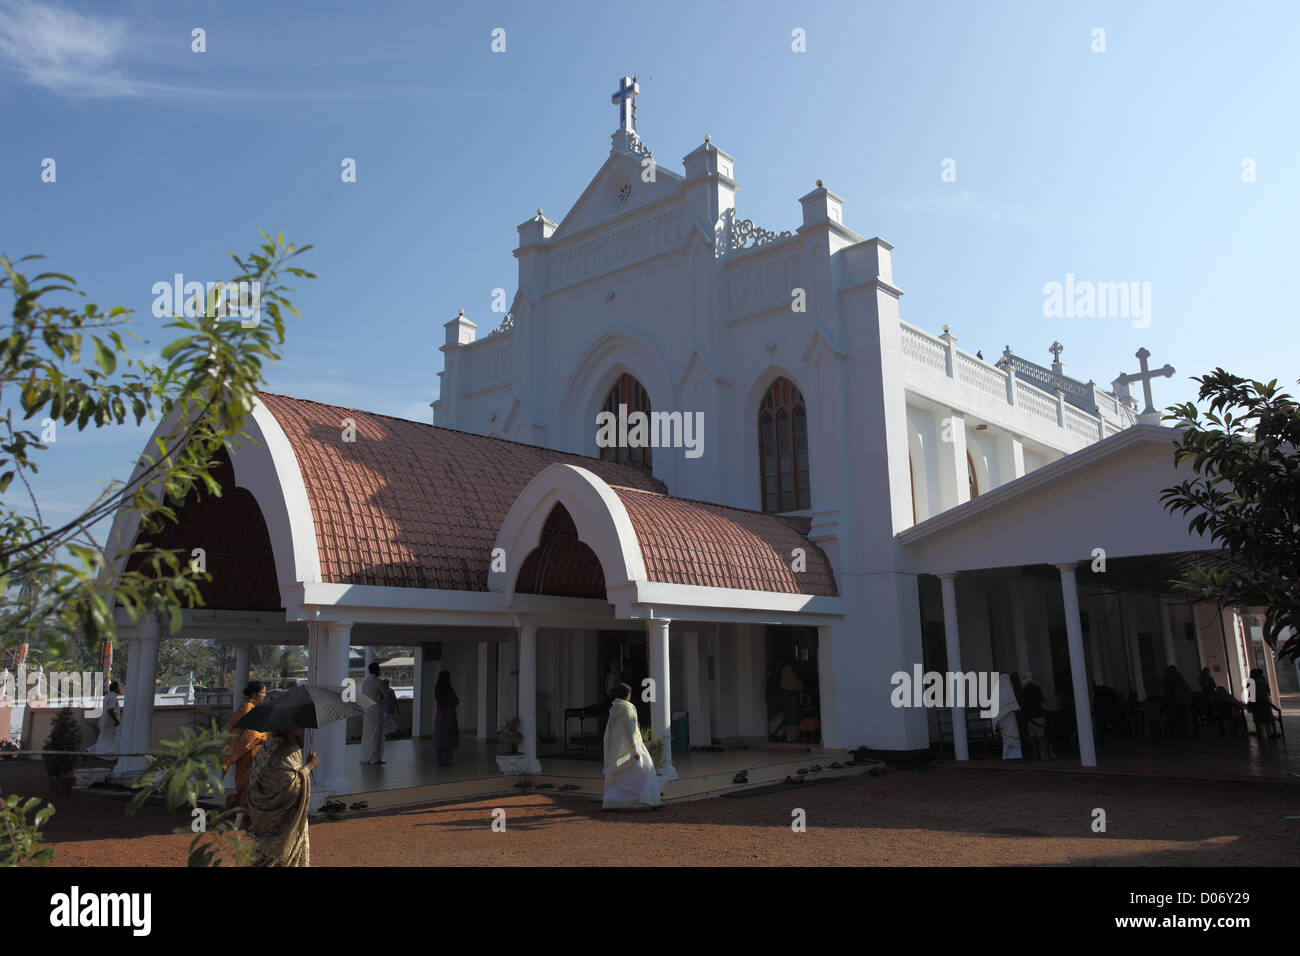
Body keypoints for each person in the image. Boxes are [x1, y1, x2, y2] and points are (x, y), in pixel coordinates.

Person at [246, 727, 316, 867]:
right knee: (282, 859)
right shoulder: (287, 750)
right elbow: (291, 786)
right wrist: (309, 767)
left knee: (263, 858)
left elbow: (254, 780)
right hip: (285, 821)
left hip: (264, 818)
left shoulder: (265, 748)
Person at [602, 683, 660, 810]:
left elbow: (617, 728)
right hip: (631, 748)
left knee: (619, 778)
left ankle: (610, 802)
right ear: (628, 695)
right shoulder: (628, 708)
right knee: (647, 771)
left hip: (618, 748)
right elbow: (630, 730)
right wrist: (635, 750)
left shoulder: (615, 708)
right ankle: (649, 800)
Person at [222, 681, 268, 823]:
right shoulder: (246, 708)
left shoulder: (254, 708)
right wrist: (260, 739)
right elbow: (250, 733)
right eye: (262, 693)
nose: (264, 695)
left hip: (256, 752)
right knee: (246, 784)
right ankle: (242, 818)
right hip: (247, 753)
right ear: (254, 694)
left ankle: (251, 816)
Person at [87, 680, 123, 755]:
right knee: (107, 741)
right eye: (119, 687)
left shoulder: (108, 696)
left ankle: (90, 751)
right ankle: (94, 752)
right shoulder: (112, 697)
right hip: (110, 724)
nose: (120, 689)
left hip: (106, 723)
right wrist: (116, 721)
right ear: (116, 688)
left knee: (102, 740)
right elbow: (110, 710)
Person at [360, 662, 385, 765]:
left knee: (366, 734)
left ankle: (366, 758)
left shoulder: (365, 682)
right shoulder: (378, 682)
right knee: (376, 735)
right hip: (376, 711)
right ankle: (374, 759)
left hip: (366, 710)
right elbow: (385, 695)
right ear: (377, 670)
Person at [993, 672, 1022, 759]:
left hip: (1005, 717)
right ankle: (1010, 755)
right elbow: (1011, 704)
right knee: (1010, 736)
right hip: (1007, 717)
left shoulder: (999, 691)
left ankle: (1011, 755)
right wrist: (1017, 709)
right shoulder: (1006, 690)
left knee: (1008, 737)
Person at [434, 670, 460, 766]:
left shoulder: (437, 688)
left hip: (439, 715)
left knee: (440, 737)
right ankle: (446, 761)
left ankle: (439, 761)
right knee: (449, 737)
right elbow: (456, 701)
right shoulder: (449, 689)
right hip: (449, 715)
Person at [1163, 665, 1193, 738]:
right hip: (1182, 704)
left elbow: (1170, 692)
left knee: (1176, 718)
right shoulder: (1180, 681)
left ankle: (1177, 734)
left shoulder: (1170, 680)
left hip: (1177, 704)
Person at [779, 658, 804, 743]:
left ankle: (788, 738)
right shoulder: (797, 683)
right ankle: (795, 738)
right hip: (795, 706)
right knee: (794, 722)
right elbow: (801, 697)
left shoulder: (783, 683)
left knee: (788, 722)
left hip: (787, 706)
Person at [1247, 667, 1276, 738]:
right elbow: (1268, 691)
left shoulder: (1252, 681)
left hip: (1257, 702)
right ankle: (1269, 733)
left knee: (1258, 719)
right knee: (1267, 719)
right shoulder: (1263, 681)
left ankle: (1260, 734)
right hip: (1265, 701)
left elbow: (1252, 694)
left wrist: (1250, 703)